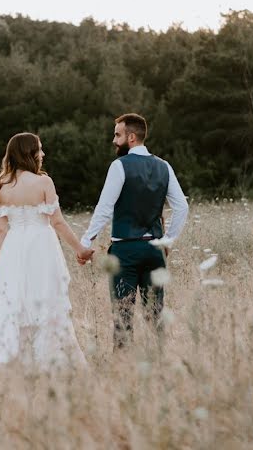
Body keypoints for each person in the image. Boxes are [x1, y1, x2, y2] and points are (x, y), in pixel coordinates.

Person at [0, 132, 93, 368]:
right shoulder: (44, 182)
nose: (43, 154)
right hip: (41, 247)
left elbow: (0, 230)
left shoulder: (1, 187)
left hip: (13, 250)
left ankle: (11, 359)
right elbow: (57, 221)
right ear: (29, 153)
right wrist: (80, 249)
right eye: (39, 149)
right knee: (45, 300)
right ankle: (48, 360)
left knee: (14, 303)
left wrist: (1, 264)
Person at [80, 113, 188, 349]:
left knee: (123, 316)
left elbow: (105, 208)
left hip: (125, 250)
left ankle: (122, 370)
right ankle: (159, 365)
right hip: (154, 250)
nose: (113, 140)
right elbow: (182, 207)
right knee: (156, 315)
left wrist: (86, 242)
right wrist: (167, 241)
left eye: (117, 135)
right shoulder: (164, 166)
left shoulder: (119, 166)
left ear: (131, 137)